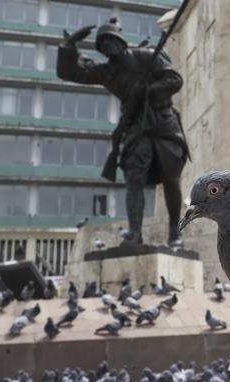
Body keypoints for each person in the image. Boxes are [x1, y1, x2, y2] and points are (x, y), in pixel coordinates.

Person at [57, 18, 189, 247]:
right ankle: (135, 233)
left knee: (171, 179)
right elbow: (71, 73)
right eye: (103, 44)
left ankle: (175, 233)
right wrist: (69, 45)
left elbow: (174, 80)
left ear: (121, 41)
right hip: (136, 126)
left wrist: (147, 90)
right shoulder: (107, 71)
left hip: (163, 122)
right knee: (133, 179)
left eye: (112, 40)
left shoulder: (147, 56)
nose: (109, 46)